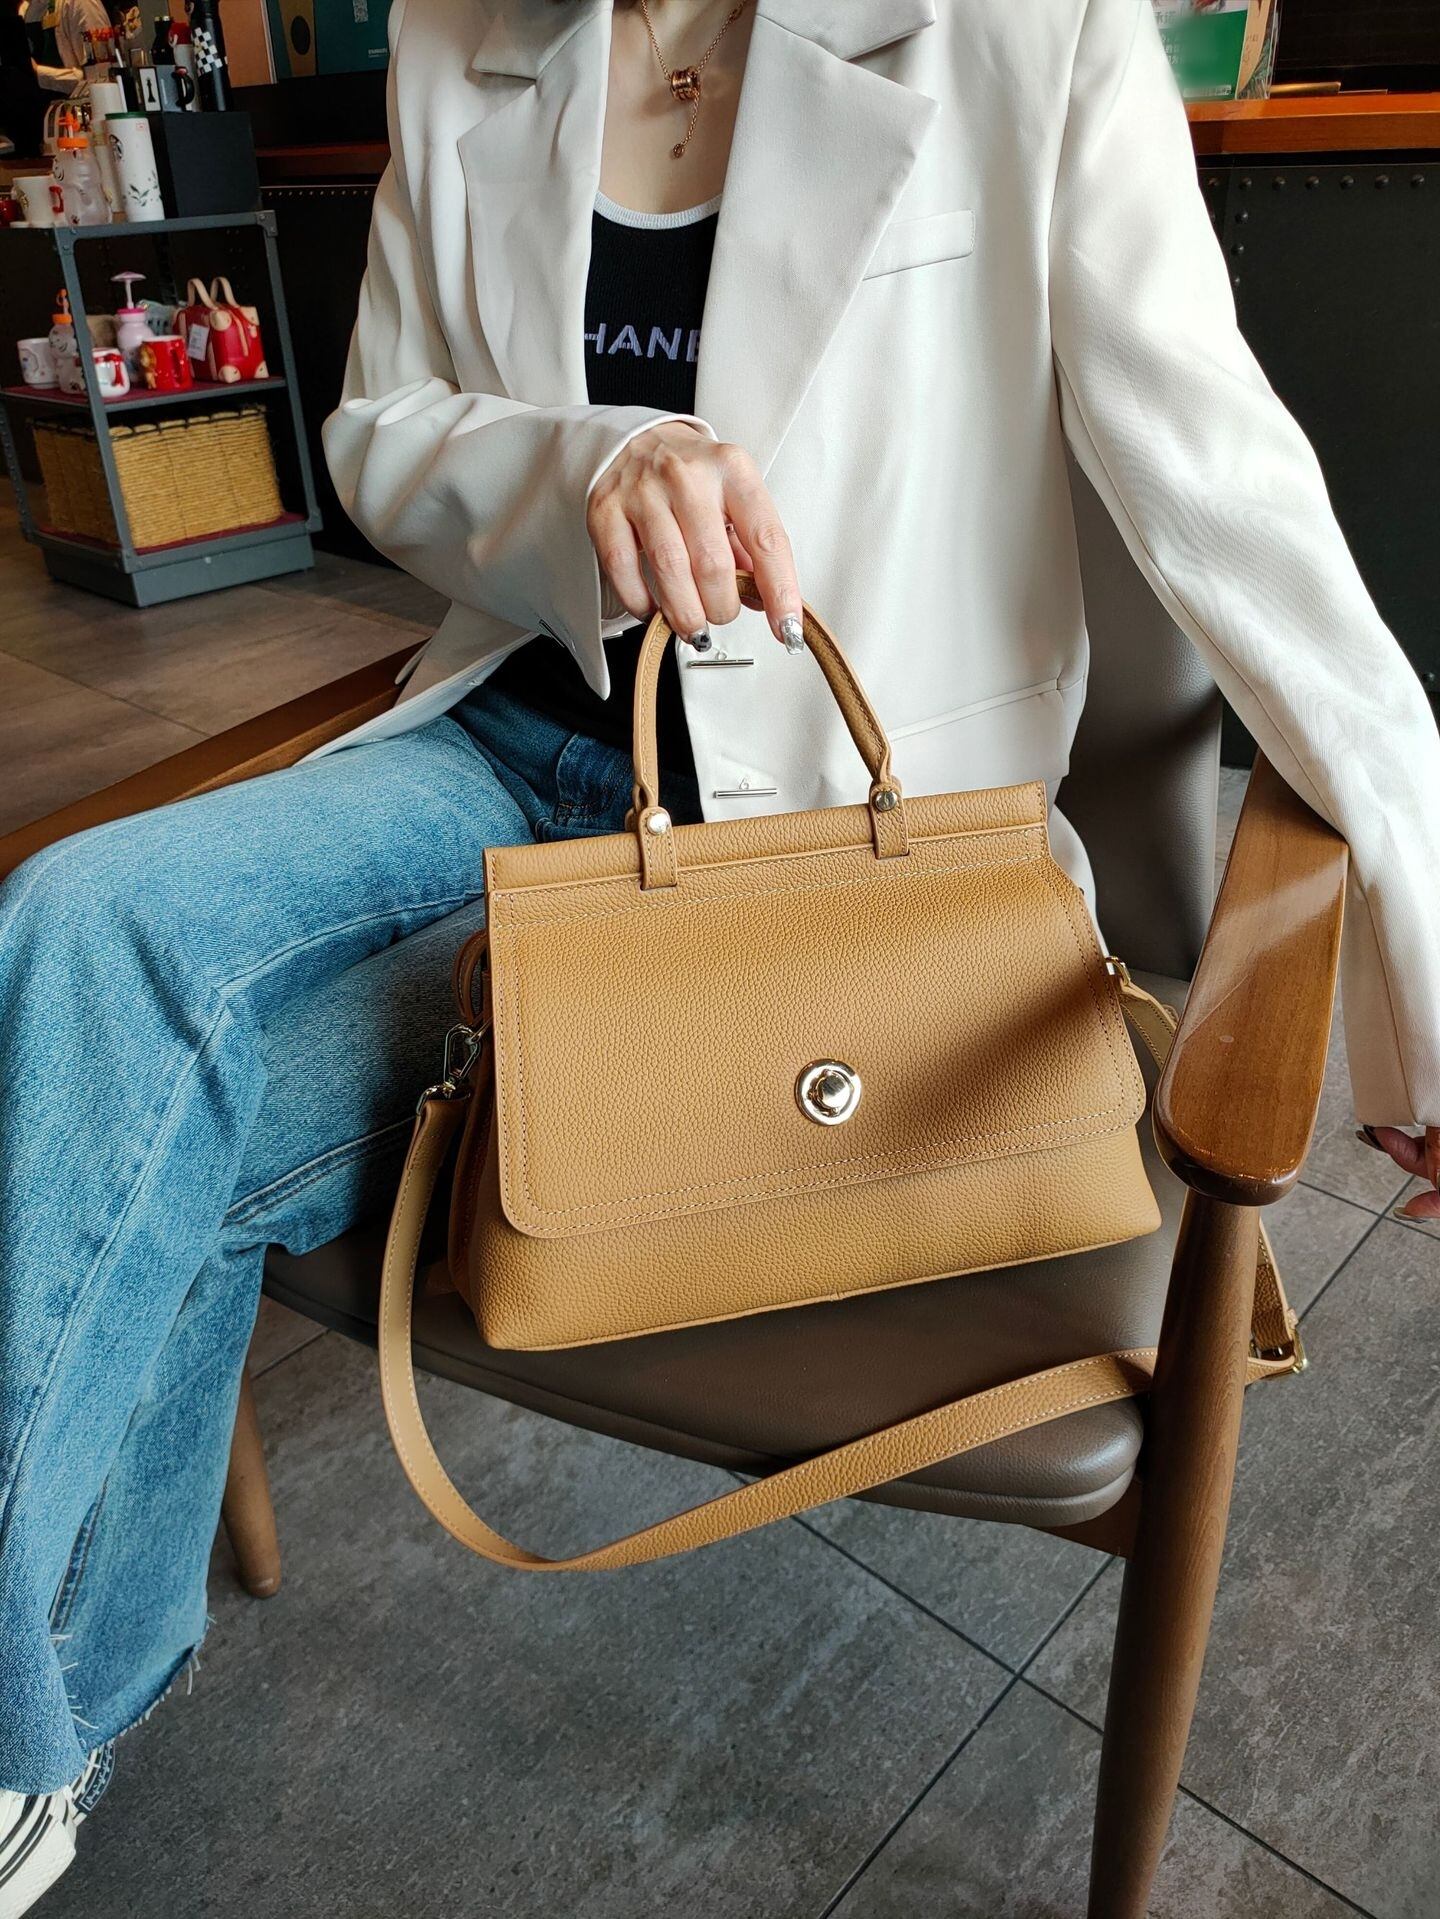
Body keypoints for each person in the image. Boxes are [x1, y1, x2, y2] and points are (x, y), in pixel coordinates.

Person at [2, 0, 1438, 1907]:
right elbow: (379, 430)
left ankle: (49, 1726)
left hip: (843, 856)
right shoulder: (458, 39)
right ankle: (29, 1742)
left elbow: (1226, 484)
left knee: (129, 1116)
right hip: (514, 743)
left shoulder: (1026, 32)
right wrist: (590, 463)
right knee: (73, 925)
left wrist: (1429, 960)